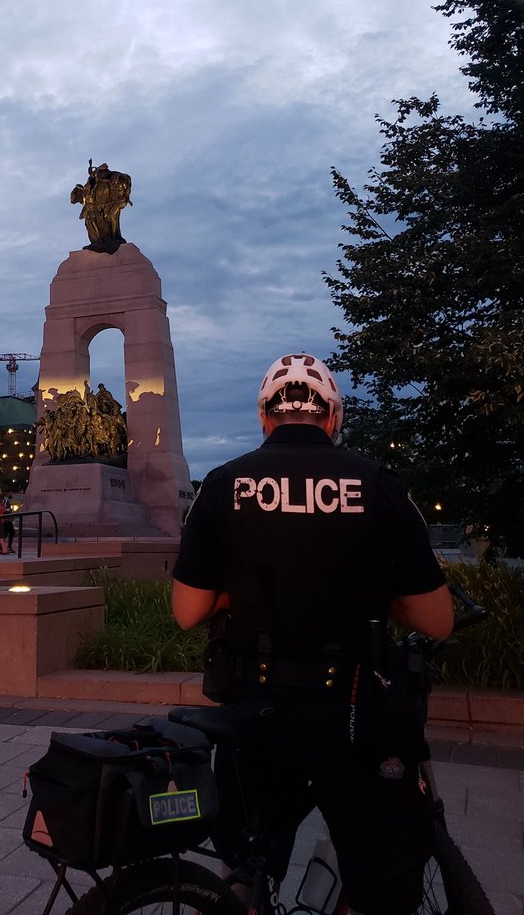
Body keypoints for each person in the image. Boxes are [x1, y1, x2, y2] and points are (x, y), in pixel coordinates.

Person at [171, 353, 453, 915]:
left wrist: (242, 590)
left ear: (264, 418)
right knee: (376, 871)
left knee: (245, 864)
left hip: (253, 711)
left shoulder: (224, 484)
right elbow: (436, 621)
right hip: (355, 712)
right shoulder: (379, 484)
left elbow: (187, 610)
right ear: (333, 416)